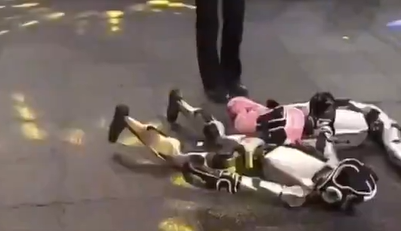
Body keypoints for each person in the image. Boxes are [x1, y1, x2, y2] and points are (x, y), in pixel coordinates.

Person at [107, 90, 378, 210]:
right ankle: (163, 110)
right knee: (206, 140)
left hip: (250, 156)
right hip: (255, 151)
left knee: (192, 150)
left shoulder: (303, 191)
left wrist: (218, 177)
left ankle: (144, 116)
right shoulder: (318, 176)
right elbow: (259, 186)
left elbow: (259, 186)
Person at [226, 92, 401, 215]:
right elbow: (290, 112)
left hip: (379, 124)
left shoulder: (323, 122)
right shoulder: (307, 115)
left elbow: (330, 155)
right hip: (352, 129)